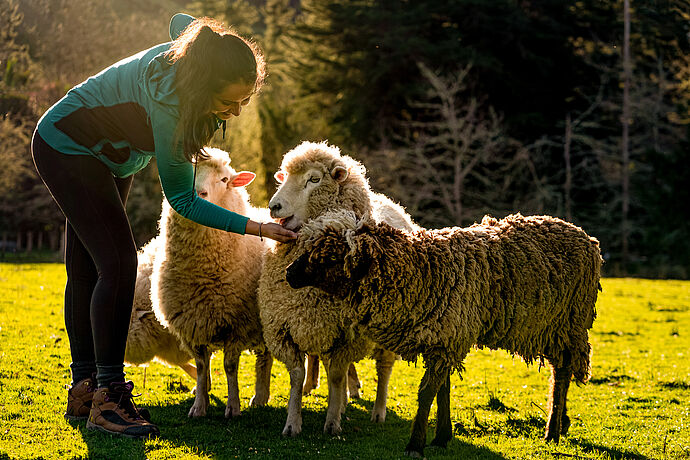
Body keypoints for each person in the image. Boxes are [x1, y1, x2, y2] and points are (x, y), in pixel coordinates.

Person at [31, 13, 297, 438]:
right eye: (229, 101)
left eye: (246, 99)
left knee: (87, 267)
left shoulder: (196, 57)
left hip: (112, 158)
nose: (237, 110)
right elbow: (184, 200)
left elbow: (182, 24)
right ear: (202, 83)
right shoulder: (172, 104)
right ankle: (109, 398)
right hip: (68, 146)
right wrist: (259, 228)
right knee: (117, 266)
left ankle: (84, 387)